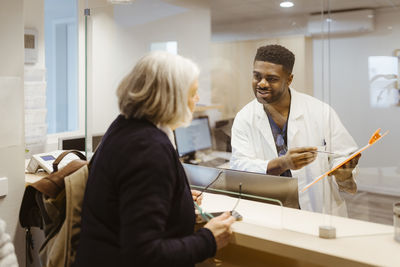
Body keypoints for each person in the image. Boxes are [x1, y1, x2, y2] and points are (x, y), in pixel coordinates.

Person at [74, 51, 235, 267]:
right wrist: (208, 239)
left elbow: (130, 200)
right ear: (172, 97)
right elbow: (144, 254)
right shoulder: (148, 149)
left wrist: (178, 199)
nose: (197, 100)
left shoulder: (123, 127)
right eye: (193, 92)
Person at [230, 44, 360, 216]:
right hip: (270, 210)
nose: (261, 83)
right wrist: (283, 163)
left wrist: (344, 175)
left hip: (319, 211)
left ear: (289, 80)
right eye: (257, 76)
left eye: (272, 78)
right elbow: (239, 166)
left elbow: (343, 158)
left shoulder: (320, 111)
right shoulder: (244, 117)